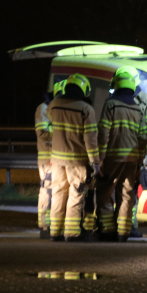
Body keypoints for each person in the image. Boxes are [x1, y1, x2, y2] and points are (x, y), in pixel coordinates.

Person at [96, 69, 147, 242]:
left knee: (104, 193)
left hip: (112, 158)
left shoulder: (111, 104)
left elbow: (103, 132)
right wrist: (140, 160)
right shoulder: (137, 107)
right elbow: (143, 136)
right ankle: (123, 232)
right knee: (127, 195)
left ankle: (108, 230)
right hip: (132, 159)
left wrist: (100, 158)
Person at [47, 74, 100, 242]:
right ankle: (72, 232)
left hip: (56, 161)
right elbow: (90, 139)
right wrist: (95, 162)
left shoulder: (54, 105)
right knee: (76, 195)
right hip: (77, 160)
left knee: (57, 194)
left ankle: (55, 231)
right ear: (83, 89)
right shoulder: (86, 109)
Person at [112, 66, 147, 238]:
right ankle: (119, 225)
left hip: (134, 152)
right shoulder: (116, 96)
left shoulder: (144, 98)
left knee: (129, 190)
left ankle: (128, 225)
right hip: (120, 151)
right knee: (120, 189)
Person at [35, 89, 55, 239]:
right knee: (47, 191)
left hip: (55, 156)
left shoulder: (52, 108)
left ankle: (51, 224)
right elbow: (42, 133)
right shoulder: (43, 108)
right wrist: (62, 130)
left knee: (54, 192)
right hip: (47, 157)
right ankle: (45, 225)